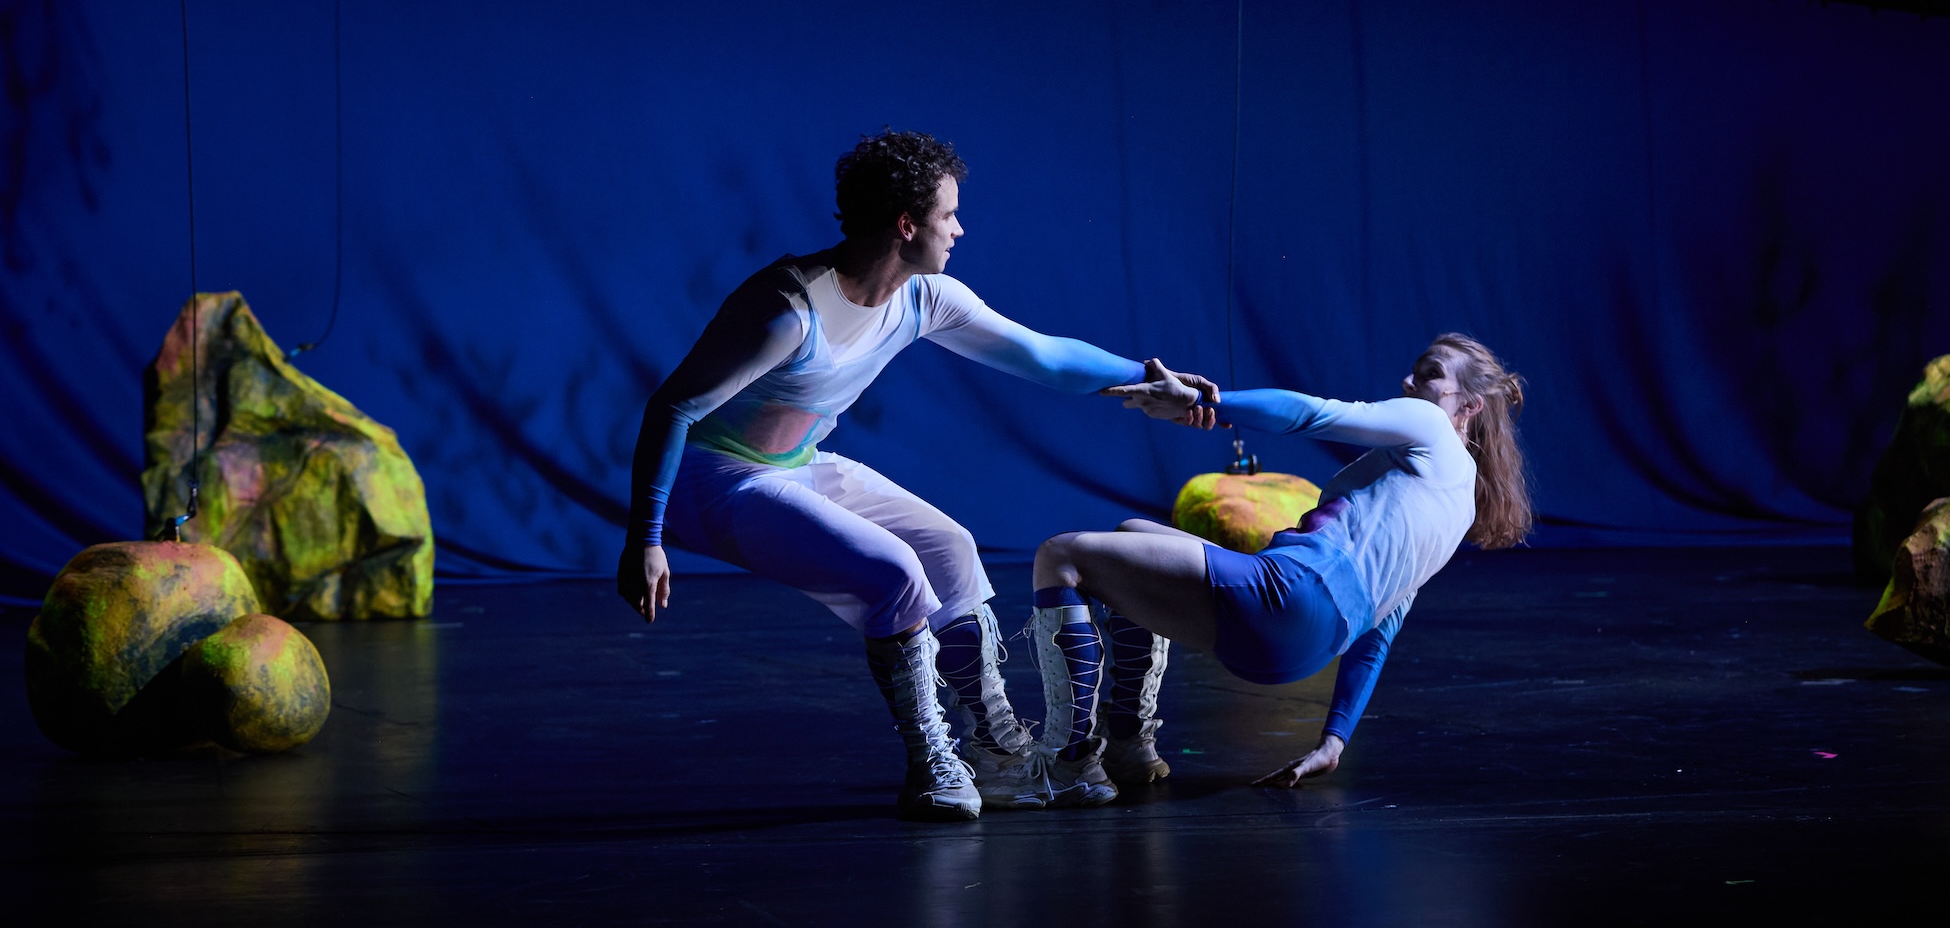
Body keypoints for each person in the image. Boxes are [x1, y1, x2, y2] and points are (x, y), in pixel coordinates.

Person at [618, 130, 1212, 821]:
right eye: (948, 215)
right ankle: (931, 763)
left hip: (796, 467)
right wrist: (645, 539)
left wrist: (1152, 380)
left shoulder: (924, 297)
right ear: (906, 224)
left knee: (950, 546)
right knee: (894, 571)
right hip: (711, 481)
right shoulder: (788, 309)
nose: (959, 230)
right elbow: (674, 407)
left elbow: (1044, 357)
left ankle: (994, 751)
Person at [1027, 334, 1530, 790]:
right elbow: (1380, 630)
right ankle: (1129, 745)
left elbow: (1313, 414)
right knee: (1132, 536)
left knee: (1060, 555)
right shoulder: (1459, 508)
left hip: (1287, 596)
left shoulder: (1431, 425)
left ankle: (1069, 765)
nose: (1408, 382)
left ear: (1469, 405)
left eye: (1429, 374)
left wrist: (1204, 401)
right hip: (1302, 653)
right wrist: (1334, 739)